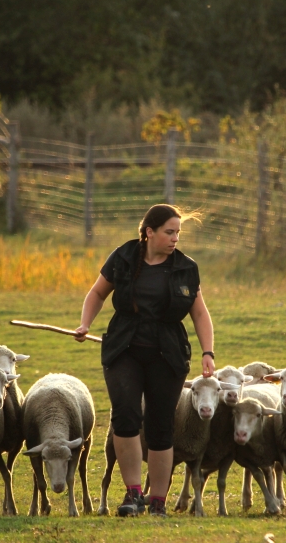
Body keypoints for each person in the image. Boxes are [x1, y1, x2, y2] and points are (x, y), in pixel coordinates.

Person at [74, 204, 215, 517]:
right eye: (169, 232)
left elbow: (200, 313)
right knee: (125, 417)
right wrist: (85, 323)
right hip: (123, 349)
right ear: (149, 232)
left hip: (168, 354)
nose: (175, 238)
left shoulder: (186, 267)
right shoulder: (123, 257)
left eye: (178, 232)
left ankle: (159, 502)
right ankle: (133, 494)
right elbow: (97, 293)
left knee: (160, 424)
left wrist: (208, 352)